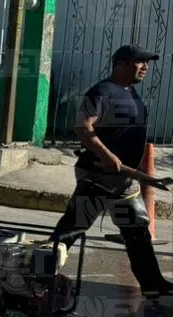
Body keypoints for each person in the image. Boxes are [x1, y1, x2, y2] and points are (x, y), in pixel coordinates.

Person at [51, 45, 173, 298]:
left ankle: (152, 284)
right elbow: (82, 127)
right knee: (72, 228)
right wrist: (106, 154)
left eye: (147, 63)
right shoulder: (101, 91)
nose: (145, 67)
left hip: (123, 181)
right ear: (120, 64)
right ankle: (39, 276)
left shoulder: (132, 94)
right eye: (139, 62)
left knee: (138, 231)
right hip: (98, 178)